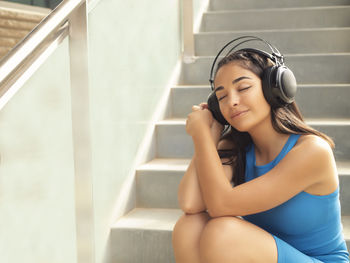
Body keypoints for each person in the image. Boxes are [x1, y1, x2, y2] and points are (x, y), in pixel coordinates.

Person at [172, 38, 349, 263]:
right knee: (189, 227)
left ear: (274, 88)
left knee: (223, 234)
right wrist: (211, 136)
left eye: (243, 87)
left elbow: (220, 205)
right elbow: (190, 202)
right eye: (221, 97)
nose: (232, 102)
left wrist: (200, 136)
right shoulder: (236, 148)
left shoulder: (313, 151)